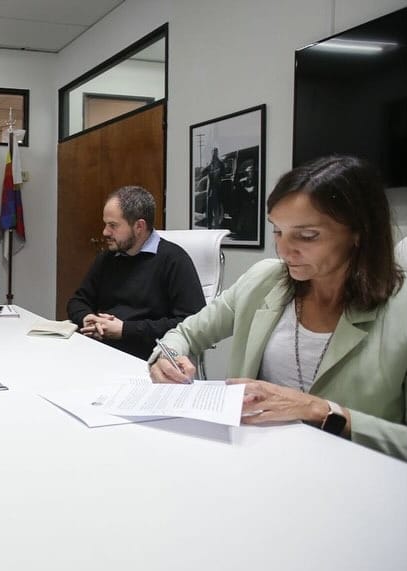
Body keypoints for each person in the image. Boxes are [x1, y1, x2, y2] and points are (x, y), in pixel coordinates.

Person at [150, 156, 407, 461]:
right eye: (277, 231)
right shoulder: (264, 280)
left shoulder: (398, 311)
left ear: (358, 232)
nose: (284, 250)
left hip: (352, 480)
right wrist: (165, 358)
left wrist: (321, 411)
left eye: (307, 235)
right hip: (254, 462)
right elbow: (185, 333)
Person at [67, 186, 206, 360]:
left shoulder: (174, 260)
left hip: (149, 359)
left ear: (139, 226)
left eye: (113, 226)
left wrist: (125, 330)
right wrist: (87, 318)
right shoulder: (108, 258)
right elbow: (78, 301)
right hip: (101, 351)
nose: (105, 232)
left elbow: (192, 322)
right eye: (105, 224)